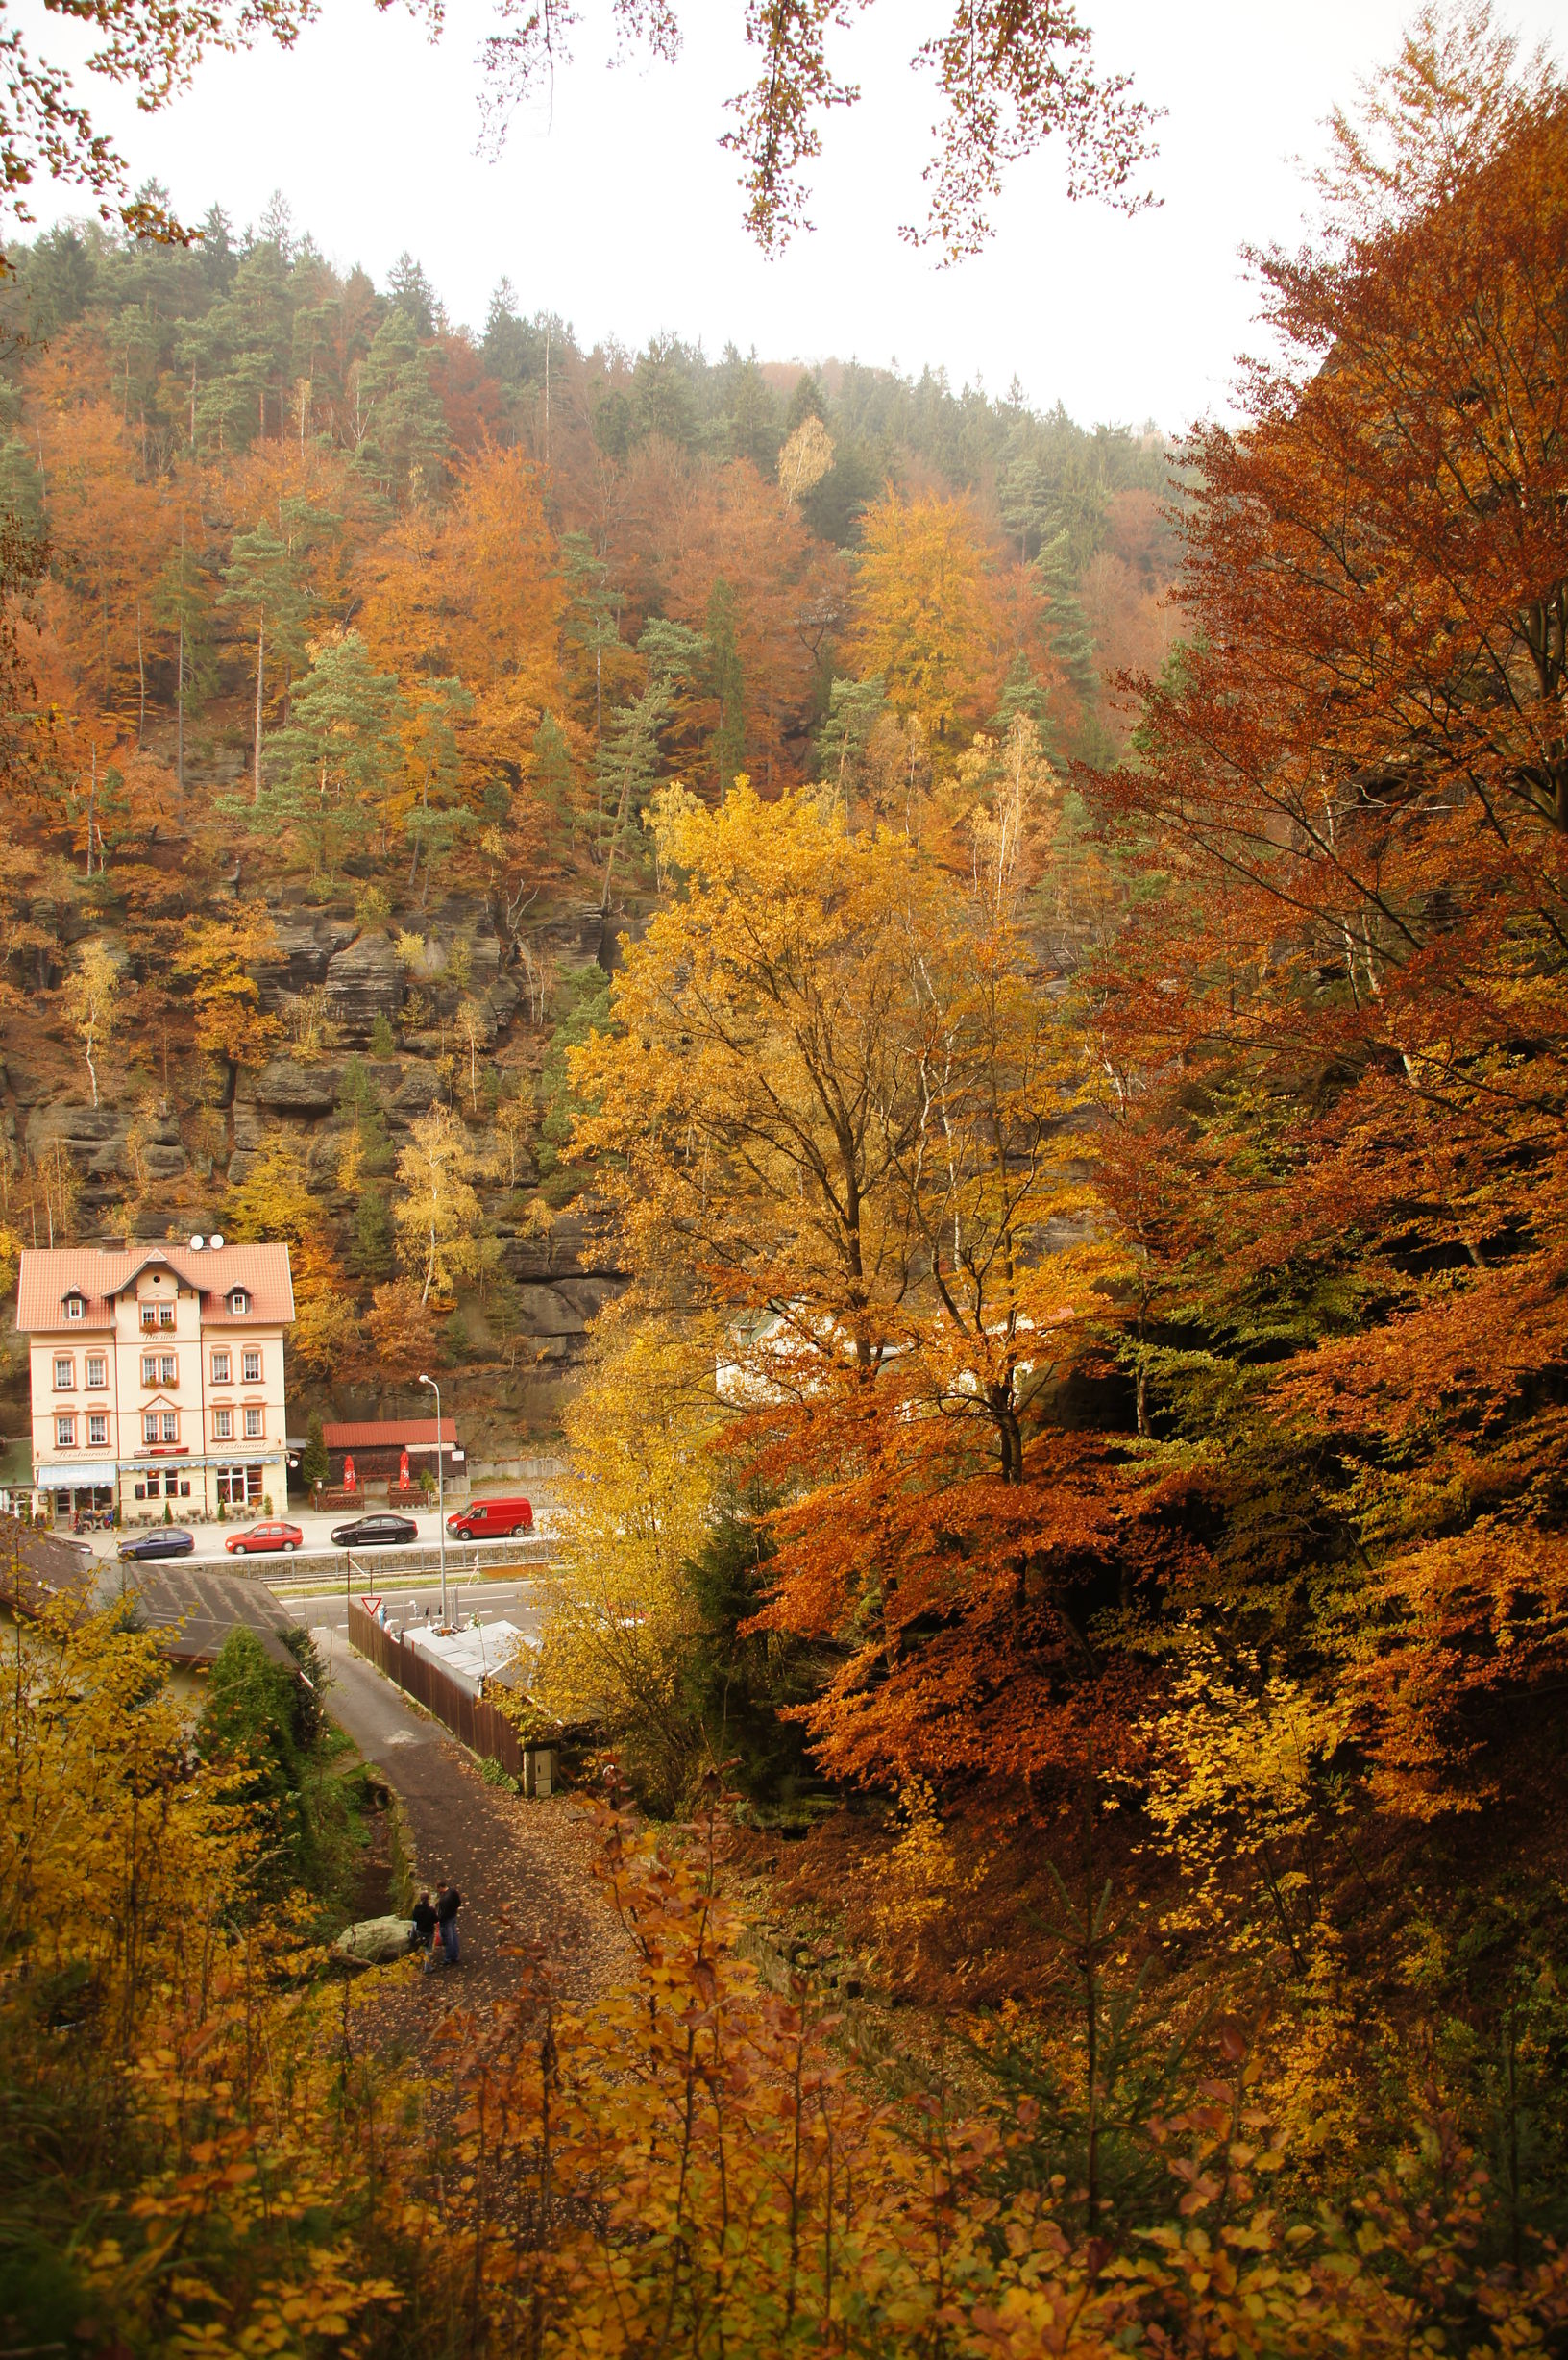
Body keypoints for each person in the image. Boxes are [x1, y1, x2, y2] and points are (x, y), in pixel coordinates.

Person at [436, 1884, 461, 1968]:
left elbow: (442, 1914)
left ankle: (448, 1958)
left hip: (446, 1920)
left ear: (440, 1888)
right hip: (453, 1916)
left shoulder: (444, 1900)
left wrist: (438, 1919)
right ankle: (455, 1955)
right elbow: (458, 1903)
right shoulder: (453, 1891)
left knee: (448, 1939)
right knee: (454, 1936)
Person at [411, 1889, 437, 1957]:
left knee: (414, 1922)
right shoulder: (431, 1909)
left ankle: (412, 1936)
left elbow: (414, 1918)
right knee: (428, 1949)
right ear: (428, 1899)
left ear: (420, 1899)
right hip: (429, 1932)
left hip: (419, 1931)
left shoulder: (417, 1907)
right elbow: (436, 1920)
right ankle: (427, 1964)